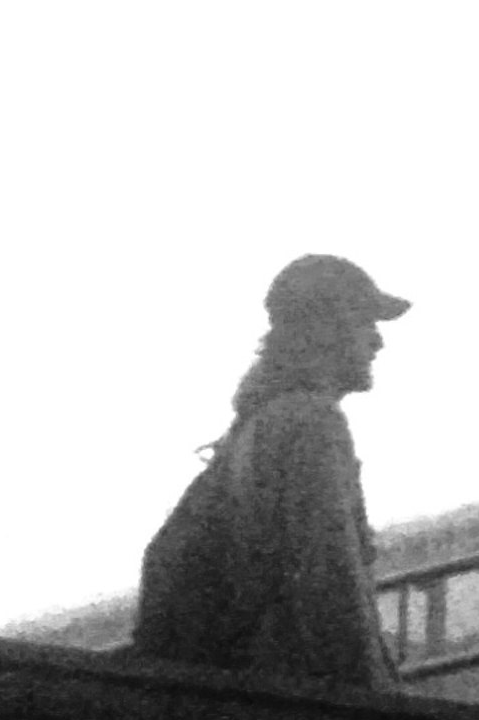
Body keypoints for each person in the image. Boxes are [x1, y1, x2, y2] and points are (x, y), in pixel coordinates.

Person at [170, 255, 412, 691]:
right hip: (296, 699)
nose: (377, 342)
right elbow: (328, 576)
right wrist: (376, 703)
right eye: (365, 323)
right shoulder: (311, 423)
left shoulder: (258, 425)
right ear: (324, 330)